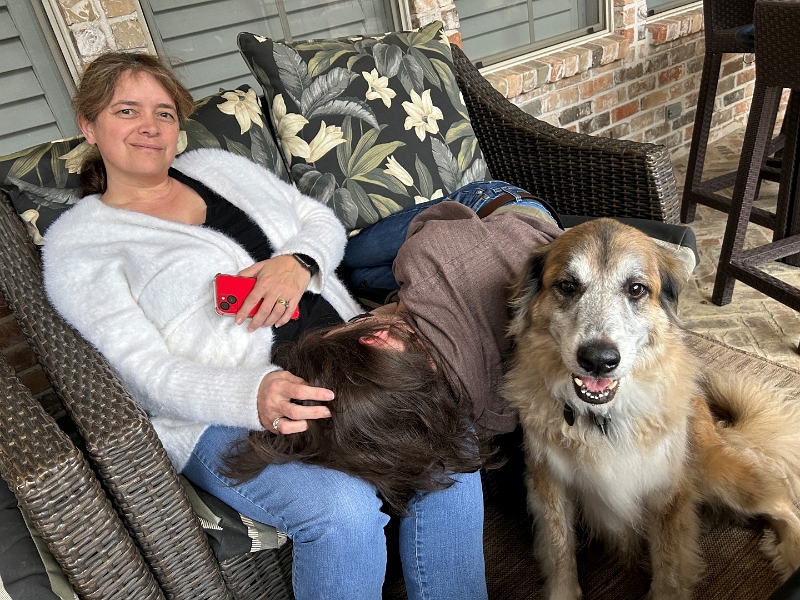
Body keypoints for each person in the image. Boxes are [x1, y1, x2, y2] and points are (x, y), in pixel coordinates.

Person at [41, 51, 489, 600]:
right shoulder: (80, 244)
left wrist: (299, 262)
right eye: (127, 111)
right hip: (222, 414)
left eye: (164, 113)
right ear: (89, 126)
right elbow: (138, 370)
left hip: (352, 368)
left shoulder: (216, 168)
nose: (149, 127)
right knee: (341, 509)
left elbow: (319, 220)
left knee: (449, 454)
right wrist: (249, 395)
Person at [226, 200, 564, 507]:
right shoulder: (424, 261)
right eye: (349, 323)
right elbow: (443, 215)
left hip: (500, 243)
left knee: (357, 269)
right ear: (376, 337)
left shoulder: (492, 413)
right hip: (510, 212)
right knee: (353, 254)